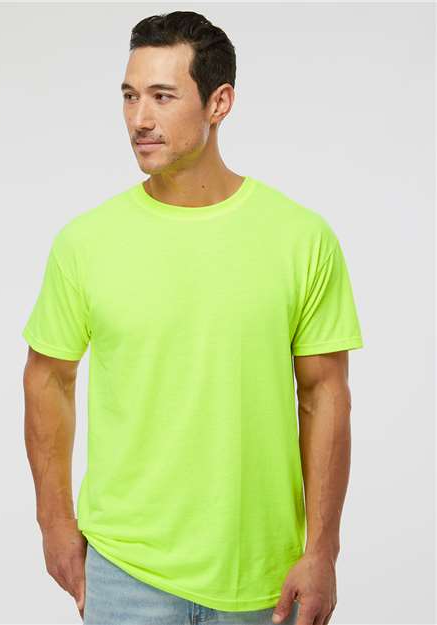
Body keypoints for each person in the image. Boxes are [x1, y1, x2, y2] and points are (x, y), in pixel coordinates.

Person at [22, 10, 363, 625]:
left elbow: (324, 394)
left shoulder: (301, 238)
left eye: (162, 96)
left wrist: (323, 552)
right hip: (125, 571)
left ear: (219, 102)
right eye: (129, 96)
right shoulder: (85, 243)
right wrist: (54, 522)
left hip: (262, 579)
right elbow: (47, 378)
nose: (139, 119)